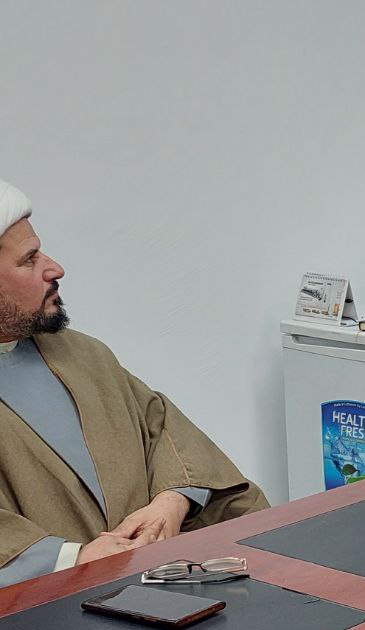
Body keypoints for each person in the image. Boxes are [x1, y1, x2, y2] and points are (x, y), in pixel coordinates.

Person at [0, 179, 268, 585]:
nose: (54, 268)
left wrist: (170, 504)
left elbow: (163, 431)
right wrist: (71, 559)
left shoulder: (82, 354)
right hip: (50, 616)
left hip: (157, 590)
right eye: (29, 260)